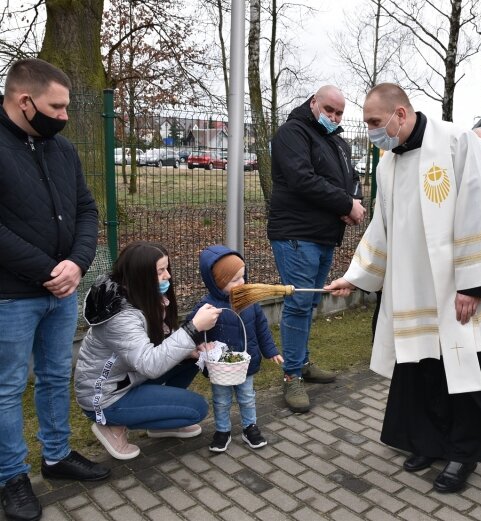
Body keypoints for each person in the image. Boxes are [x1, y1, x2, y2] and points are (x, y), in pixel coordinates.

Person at [326, 83, 481, 494]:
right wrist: (356, 276)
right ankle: (430, 442)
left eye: (376, 122)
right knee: (424, 370)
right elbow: (383, 227)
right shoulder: (388, 163)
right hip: (415, 288)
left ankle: (464, 452)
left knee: (464, 372)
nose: (373, 131)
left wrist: (475, 283)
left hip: (458, 289)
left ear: (400, 114)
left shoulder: (457, 142)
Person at [0, 58, 109, 521]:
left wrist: (77, 263)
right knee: (6, 389)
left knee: (53, 376)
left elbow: (86, 209)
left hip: (62, 291)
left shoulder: (61, 150)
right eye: (57, 107)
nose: (65, 117)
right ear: (25, 102)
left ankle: (57, 456)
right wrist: (48, 268)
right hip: (10, 295)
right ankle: (11, 476)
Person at [74, 242, 222, 461]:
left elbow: (157, 343)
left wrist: (190, 350)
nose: (167, 276)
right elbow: (150, 365)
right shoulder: (121, 317)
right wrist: (193, 330)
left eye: (167, 269)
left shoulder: (140, 294)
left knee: (189, 358)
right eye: (160, 271)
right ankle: (112, 426)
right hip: (106, 398)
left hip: (126, 378)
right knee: (197, 409)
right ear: (140, 274)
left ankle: (160, 423)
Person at [267, 85, 366, 413]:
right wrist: (344, 205)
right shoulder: (292, 134)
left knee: (308, 303)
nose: (334, 117)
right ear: (313, 103)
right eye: (329, 110)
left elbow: (352, 179)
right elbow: (302, 179)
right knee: (298, 303)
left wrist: (355, 203)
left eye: (339, 113)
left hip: (323, 235)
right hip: (297, 233)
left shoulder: (337, 141)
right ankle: (291, 376)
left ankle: (303, 363)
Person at [188, 245, 283, 452]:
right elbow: (192, 328)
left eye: (243, 276)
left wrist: (271, 351)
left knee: (247, 397)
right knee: (221, 400)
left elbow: (262, 328)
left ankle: (250, 427)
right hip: (220, 366)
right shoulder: (206, 306)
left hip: (245, 363)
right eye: (234, 280)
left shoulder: (250, 302)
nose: (242, 282)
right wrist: (199, 343)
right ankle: (223, 430)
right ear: (217, 283)